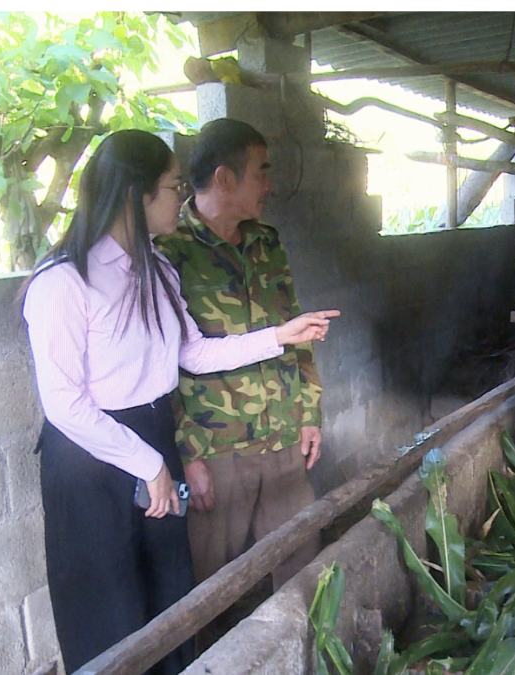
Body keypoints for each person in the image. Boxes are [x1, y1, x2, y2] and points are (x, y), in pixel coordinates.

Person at [21, 129, 338, 674]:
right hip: (90, 459)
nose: (179, 198)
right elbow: (64, 404)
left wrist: (280, 337)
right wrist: (150, 467)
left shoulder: (156, 270)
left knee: (170, 603)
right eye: (171, 188)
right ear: (135, 196)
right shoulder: (64, 281)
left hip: (151, 441)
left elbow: (191, 353)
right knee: (108, 614)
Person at [154, 119, 326, 646]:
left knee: (307, 572)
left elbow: (297, 330)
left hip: (281, 439)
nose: (269, 184)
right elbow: (164, 367)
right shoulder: (169, 252)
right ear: (225, 178)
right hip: (216, 450)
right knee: (210, 592)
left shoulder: (266, 244)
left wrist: (309, 413)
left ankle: (312, 657)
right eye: (262, 172)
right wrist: (188, 455)